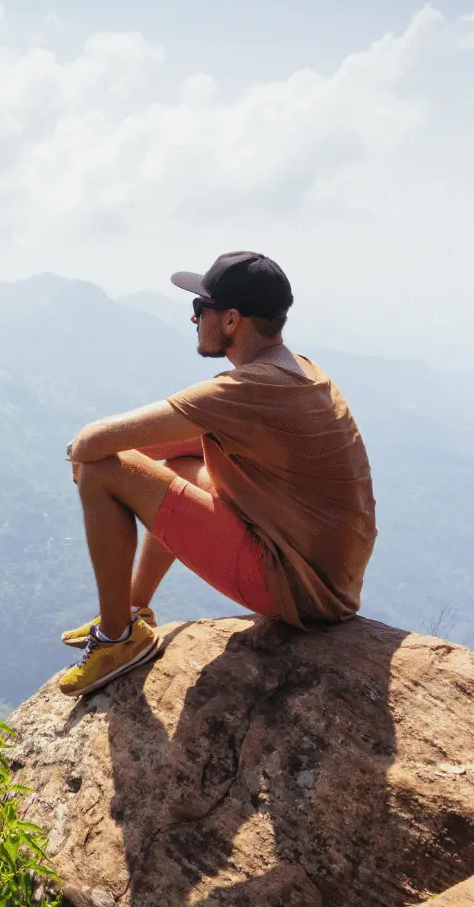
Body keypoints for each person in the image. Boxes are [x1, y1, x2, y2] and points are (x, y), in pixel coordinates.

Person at [55, 251, 376, 697]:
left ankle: (117, 637)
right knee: (182, 466)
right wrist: (116, 453)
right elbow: (175, 446)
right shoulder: (297, 372)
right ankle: (133, 609)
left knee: (100, 470)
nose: (193, 319)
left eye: (199, 309)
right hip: (325, 578)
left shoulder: (246, 389)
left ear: (230, 321)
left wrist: (84, 459)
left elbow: (93, 442)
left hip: (296, 588)